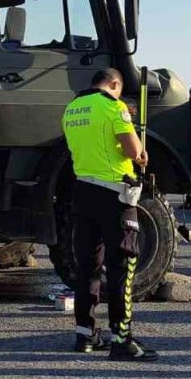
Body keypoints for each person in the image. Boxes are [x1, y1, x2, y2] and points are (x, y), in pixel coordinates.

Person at [62, 67, 157, 362]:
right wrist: (141, 155)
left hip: (82, 191)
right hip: (115, 194)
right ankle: (122, 339)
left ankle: (86, 334)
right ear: (115, 84)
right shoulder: (113, 107)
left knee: (87, 266)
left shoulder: (72, 108)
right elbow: (131, 150)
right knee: (121, 268)